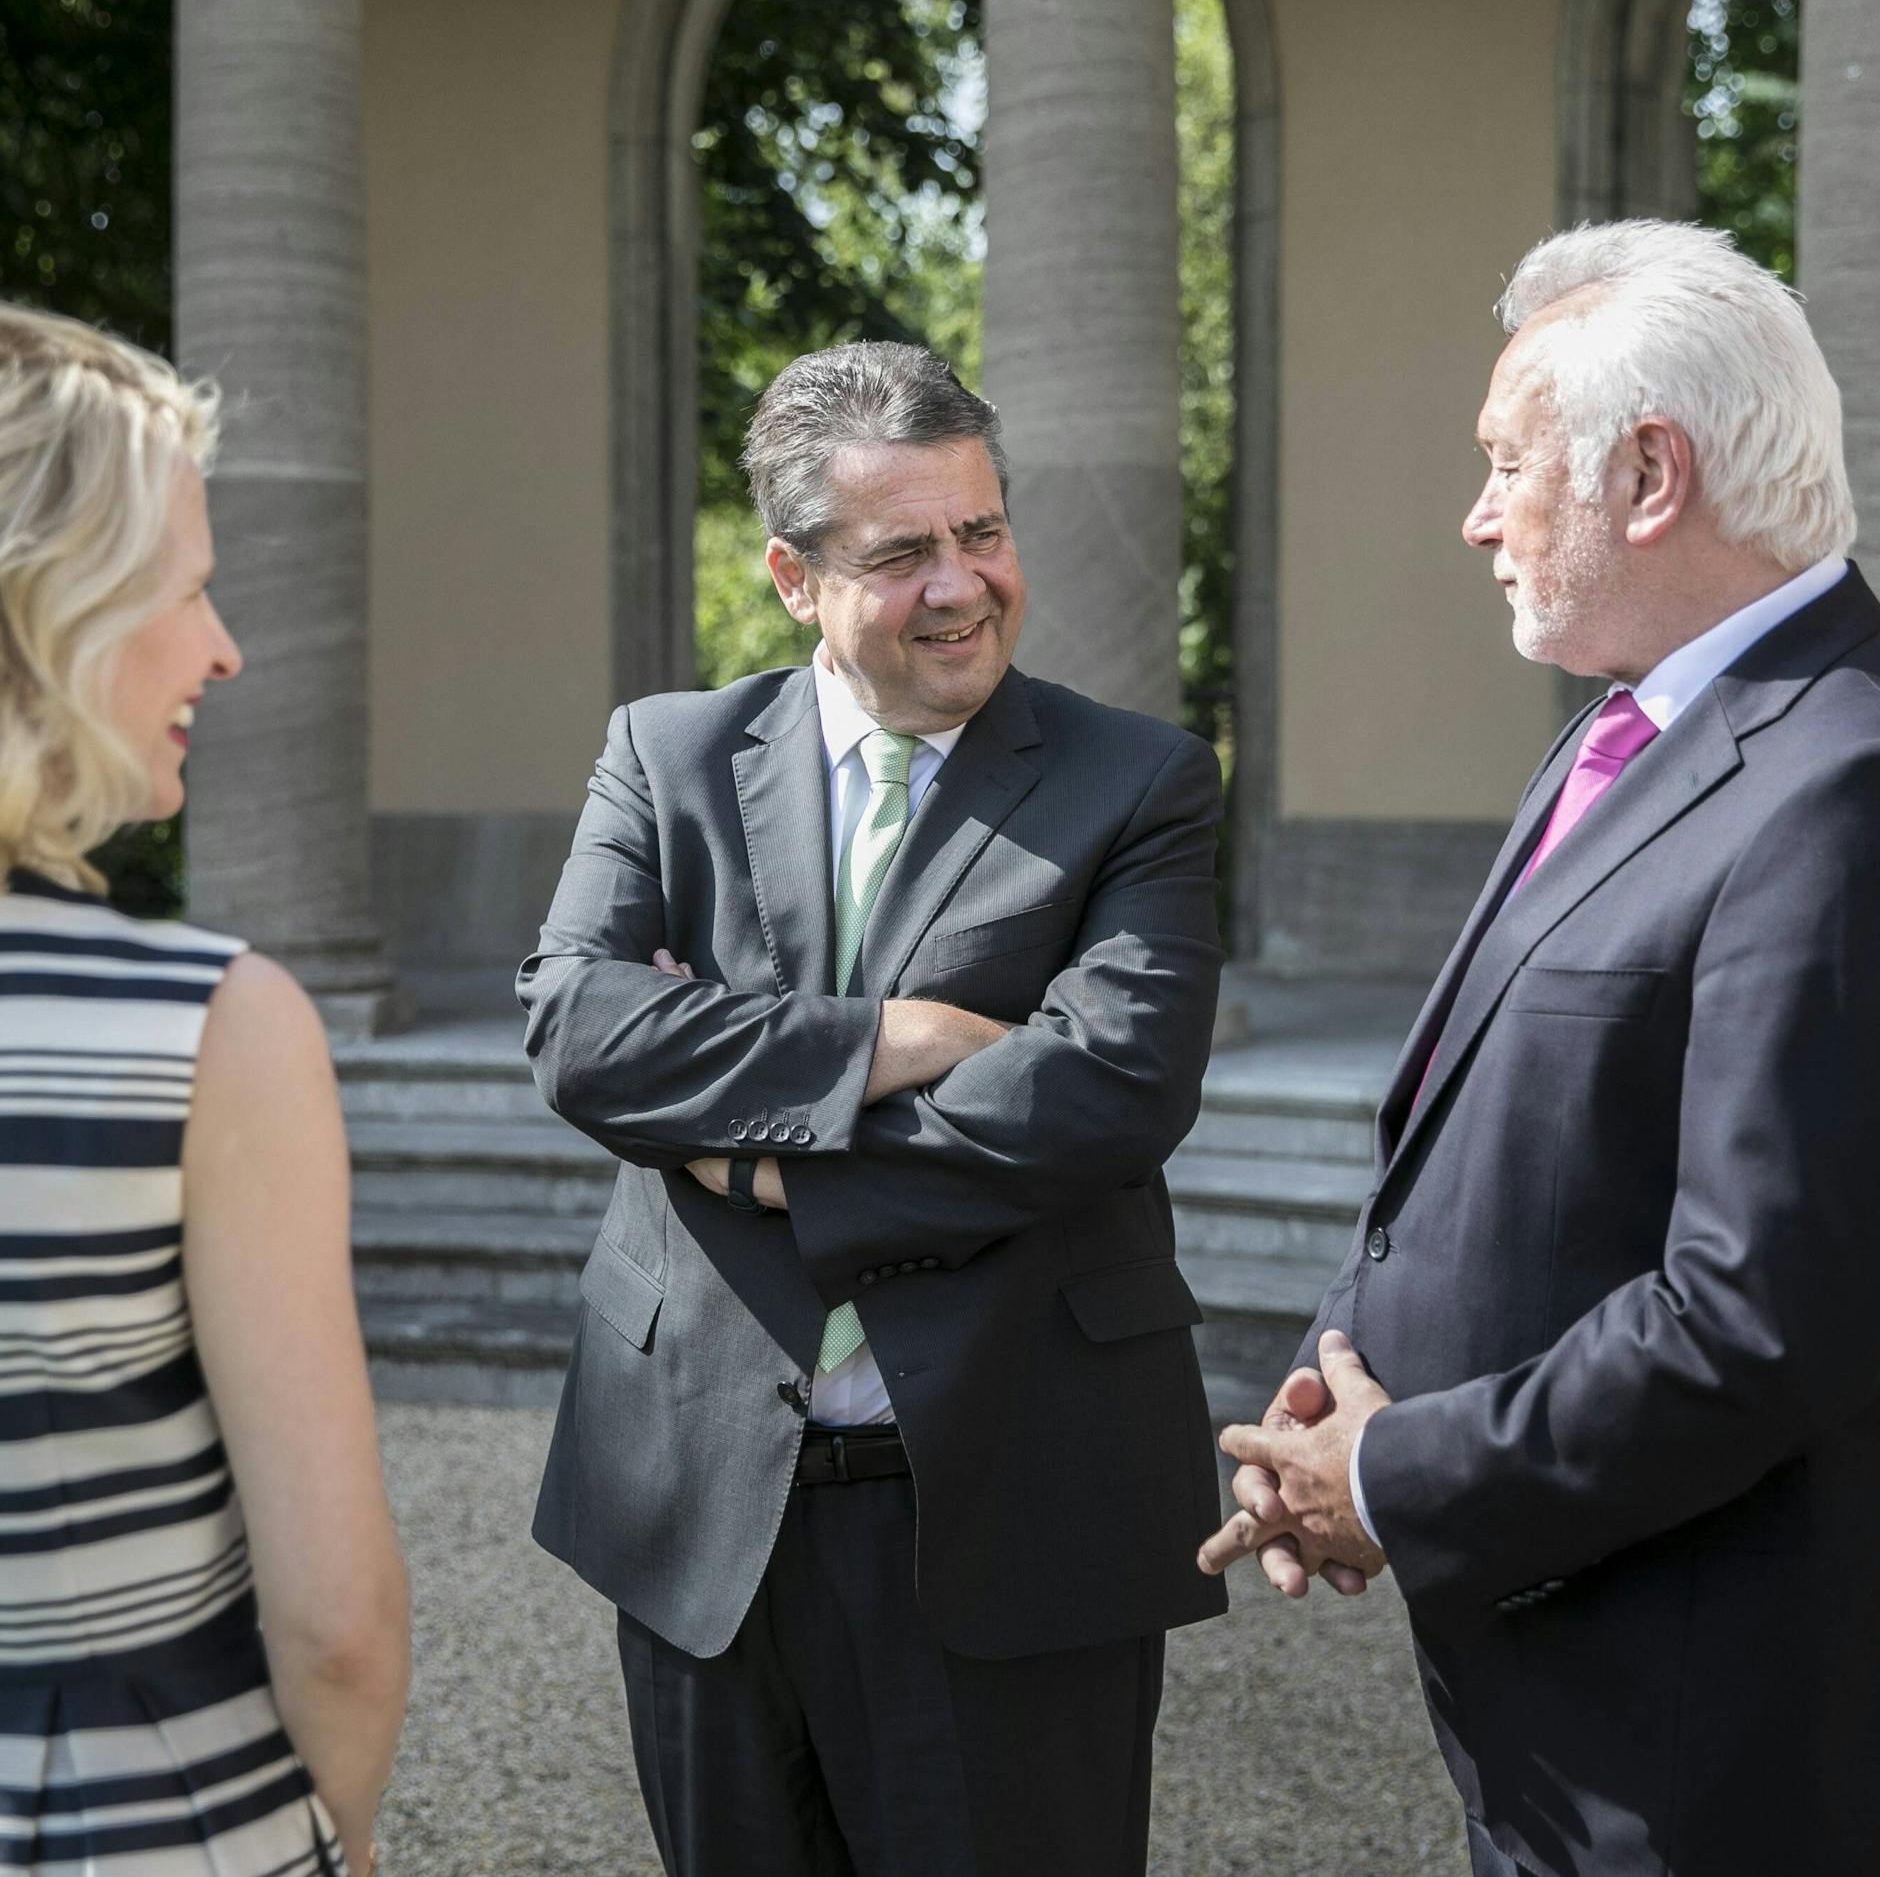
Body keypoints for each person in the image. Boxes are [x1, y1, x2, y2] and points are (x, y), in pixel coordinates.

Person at [1199, 218, 1880, 1875]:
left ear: (1651, 473)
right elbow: (1497, 1136)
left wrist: (1406, 1476)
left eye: (1511, 464)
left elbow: (1757, 1314)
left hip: (1708, 1737)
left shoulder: (1841, 782)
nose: (1478, 516)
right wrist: (1336, 1405)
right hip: (1569, 1676)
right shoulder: (1628, 725)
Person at [520, 340, 1227, 1875]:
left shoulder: (1141, 782)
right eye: (902, 552)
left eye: (981, 533)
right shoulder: (669, 756)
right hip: (704, 1508)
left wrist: (771, 1170)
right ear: (792, 575)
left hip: (1016, 1494)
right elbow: (580, 1026)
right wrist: (885, 1038)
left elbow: (1107, 1086)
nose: (961, 585)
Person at [0, 305, 408, 1875]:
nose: (225, 645)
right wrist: (345, 1840)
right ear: (58, 615)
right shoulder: (210, 1028)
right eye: (186, 587)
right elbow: (341, 1622)